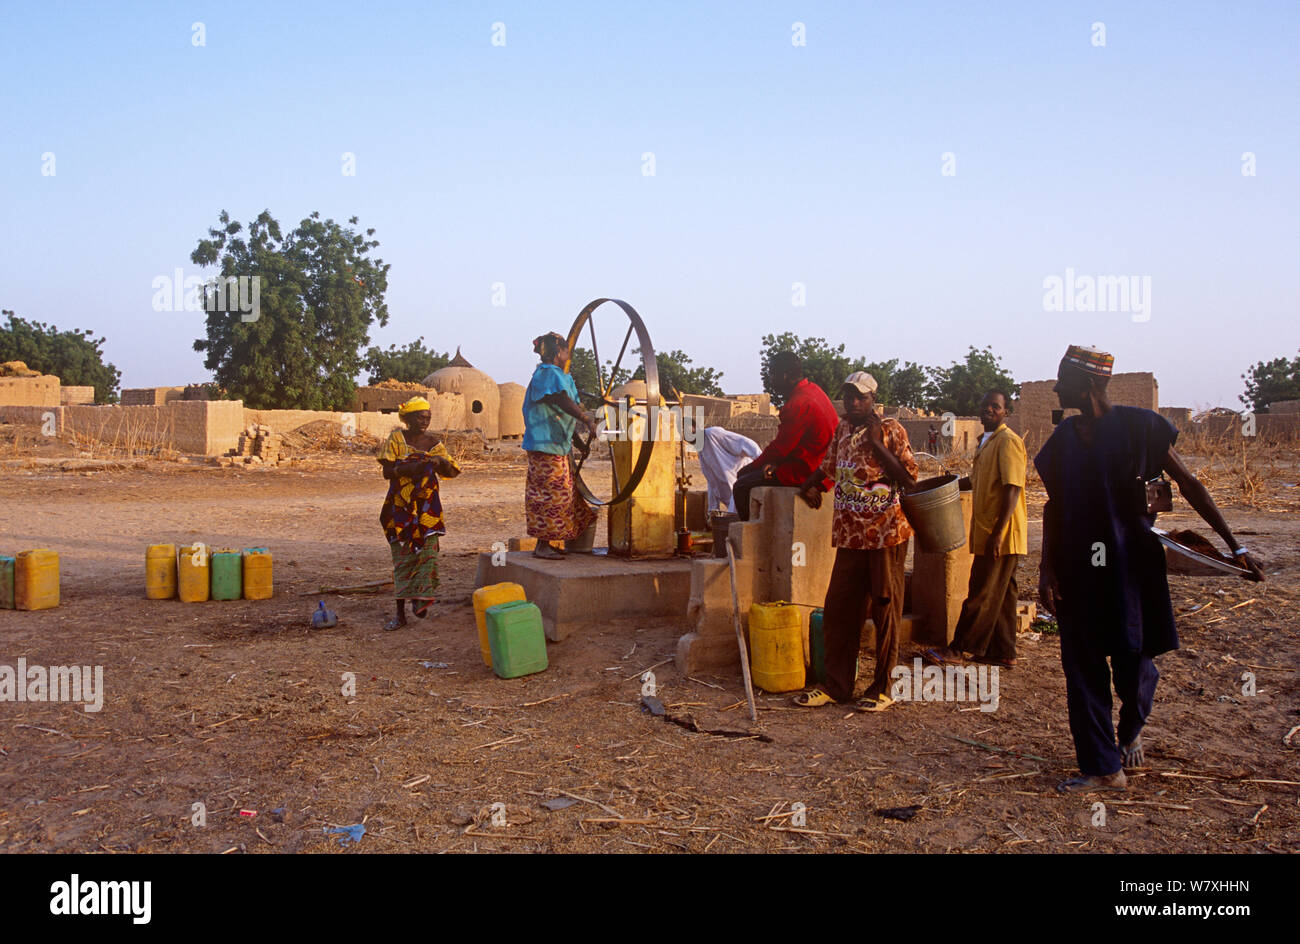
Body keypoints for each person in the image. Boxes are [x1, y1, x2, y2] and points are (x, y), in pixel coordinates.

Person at [1035, 346, 1264, 793]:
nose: (1057, 387)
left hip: (1131, 565)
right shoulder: (1062, 440)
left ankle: (1133, 726)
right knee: (1081, 666)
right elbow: (1054, 507)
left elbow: (1190, 484)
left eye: (1062, 379)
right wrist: (1046, 571)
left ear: (1086, 384)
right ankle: (1104, 767)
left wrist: (1235, 549)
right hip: (1079, 566)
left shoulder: (1142, 427)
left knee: (1134, 657)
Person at [793, 371, 918, 711]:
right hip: (850, 536)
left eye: (860, 397)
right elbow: (830, 467)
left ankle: (882, 688)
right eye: (848, 396)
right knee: (839, 609)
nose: (852, 403)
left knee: (885, 609)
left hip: (885, 535)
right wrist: (811, 484)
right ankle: (837, 685)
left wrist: (877, 443)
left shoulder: (891, 430)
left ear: (873, 399)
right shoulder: (843, 430)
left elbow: (908, 478)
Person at [923, 391, 1027, 669]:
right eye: (985, 406)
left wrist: (998, 533)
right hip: (991, 531)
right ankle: (1003, 651)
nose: (989, 411)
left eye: (996, 407)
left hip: (1001, 534)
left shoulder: (1008, 442)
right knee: (1003, 594)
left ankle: (958, 649)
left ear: (1006, 412)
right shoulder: (988, 443)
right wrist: (946, 485)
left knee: (980, 591)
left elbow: (1012, 488)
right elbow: (979, 481)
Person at [378, 397, 461, 631]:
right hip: (401, 507)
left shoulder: (434, 444)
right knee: (402, 559)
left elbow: (452, 470)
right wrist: (411, 467)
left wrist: (438, 461)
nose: (424, 421)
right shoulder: (396, 439)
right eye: (419, 417)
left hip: (428, 508)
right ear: (408, 419)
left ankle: (421, 599)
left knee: (428, 555)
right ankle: (400, 613)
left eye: (427, 417)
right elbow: (387, 472)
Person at [733, 351, 837, 520]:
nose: (770, 380)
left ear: (785, 375)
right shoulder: (814, 390)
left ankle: (751, 541)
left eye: (772, 374)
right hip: (821, 466)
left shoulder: (798, 403)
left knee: (741, 484)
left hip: (807, 471)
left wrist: (750, 468)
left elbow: (780, 449)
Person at [522, 331, 600, 559]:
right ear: (558, 352)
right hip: (544, 446)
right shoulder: (547, 374)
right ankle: (542, 546)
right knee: (550, 495)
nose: (569, 355)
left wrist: (577, 442)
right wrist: (586, 418)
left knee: (564, 494)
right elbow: (561, 401)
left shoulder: (562, 376)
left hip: (556, 445)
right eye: (567, 351)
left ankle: (551, 543)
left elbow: (561, 414)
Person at [697, 426, 762, 514]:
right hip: (731, 492)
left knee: (736, 518)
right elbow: (711, 480)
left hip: (742, 481)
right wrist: (712, 508)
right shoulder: (700, 447)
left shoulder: (712, 434)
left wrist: (762, 462)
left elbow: (745, 443)